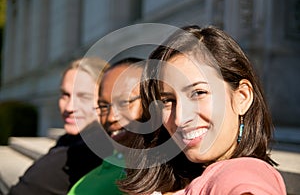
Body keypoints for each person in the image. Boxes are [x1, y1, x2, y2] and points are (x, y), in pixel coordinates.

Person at [119, 25, 286, 195]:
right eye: (168, 101)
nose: (180, 118)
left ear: (242, 97)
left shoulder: (242, 175)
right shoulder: (179, 177)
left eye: (199, 93)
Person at [9, 57, 108, 195]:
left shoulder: (95, 150)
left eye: (84, 97)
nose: (69, 107)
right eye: (65, 95)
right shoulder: (70, 140)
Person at [67, 57, 145, 195]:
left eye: (123, 103)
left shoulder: (175, 180)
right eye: (103, 106)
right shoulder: (91, 176)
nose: (110, 117)